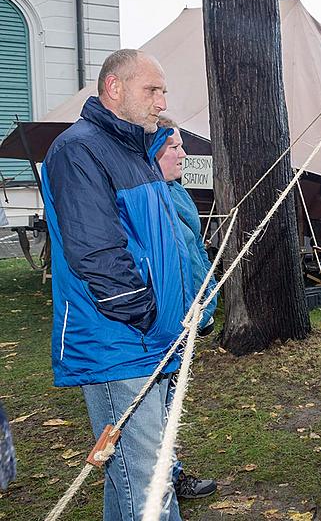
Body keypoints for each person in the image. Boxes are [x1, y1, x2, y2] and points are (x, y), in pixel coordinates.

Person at [42, 49, 191, 521]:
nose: (161, 100)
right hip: (119, 341)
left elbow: (162, 247)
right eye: (153, 90)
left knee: (132, 474)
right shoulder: (78, 150)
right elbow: (97, 254)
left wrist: (177, 315)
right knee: (149, 486)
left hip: (153, 339)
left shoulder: (136, 152)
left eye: (163, 90)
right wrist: (147, 314)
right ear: (114, 89)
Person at [154, 118, 218, 499]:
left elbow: (193, 254)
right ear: (153, 153)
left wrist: (206, 305)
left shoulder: (175, 191)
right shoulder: (150, 199)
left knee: (168, 404)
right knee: (158, 409)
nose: (183, 153)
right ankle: (166, 480)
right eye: (174, 147)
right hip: (166, 322)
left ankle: (170, 474)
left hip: (189, 314)